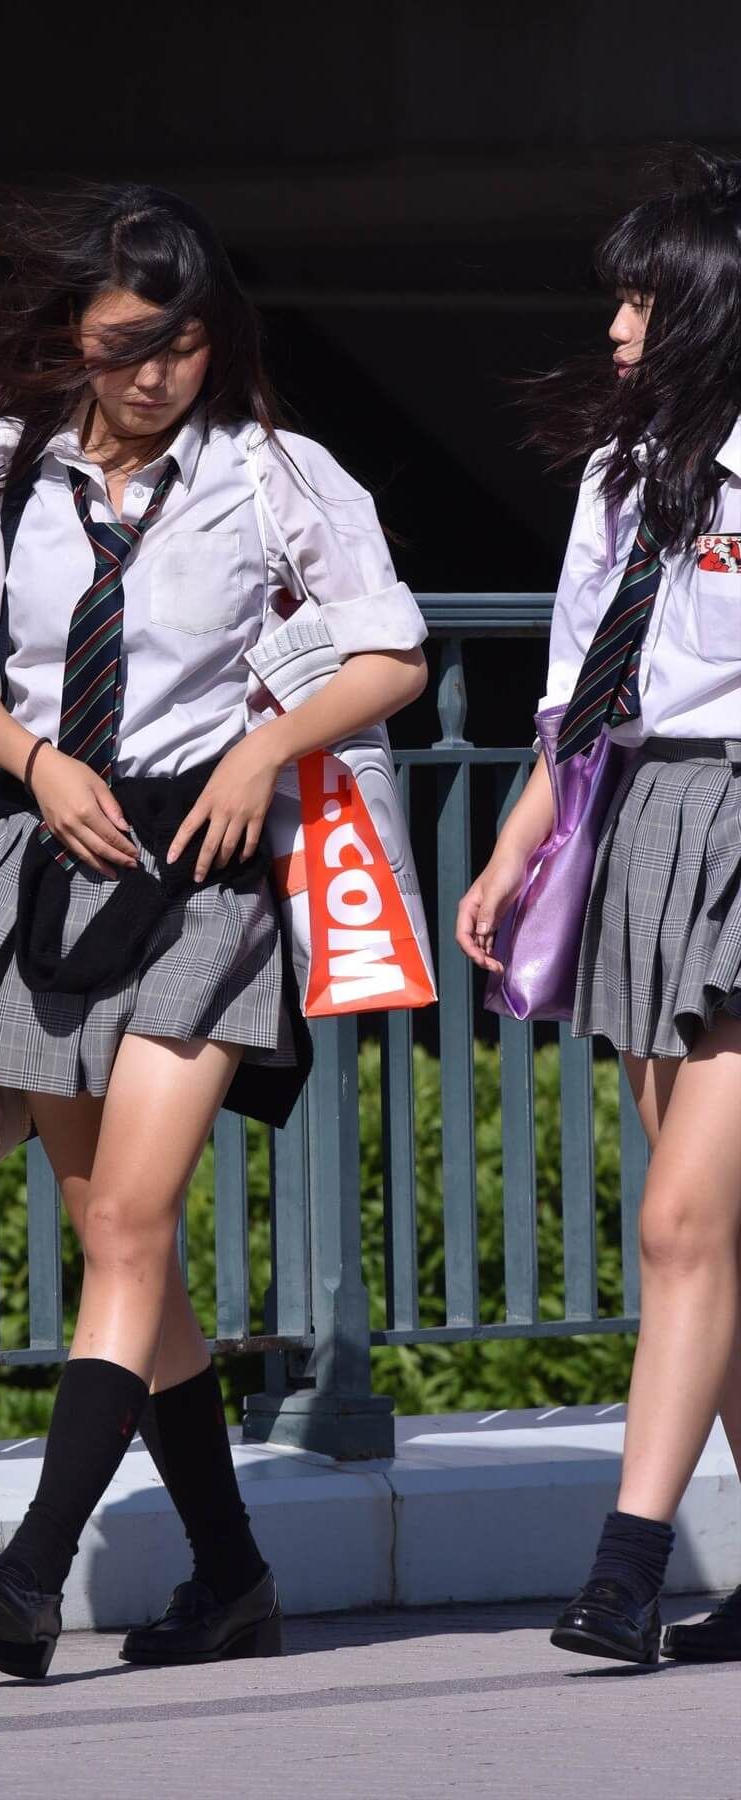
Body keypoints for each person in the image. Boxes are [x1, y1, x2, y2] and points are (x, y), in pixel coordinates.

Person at [0, 184, 427, 1678]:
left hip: (208, 874)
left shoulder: (274, 473)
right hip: (58, 858)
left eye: (184, 343)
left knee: (135, 1224)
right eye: (126, 343)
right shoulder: (11, 466)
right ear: (73, 336)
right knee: (114, 1241)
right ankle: (233, 1577)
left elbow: (393, 651)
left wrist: (262, 753)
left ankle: (32, 1569)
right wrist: (34, 764)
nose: (157, 374)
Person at [457, 149, 741, 1667]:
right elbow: (581, 692)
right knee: (717, 1241)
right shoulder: (622, 472)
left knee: (683, 1219)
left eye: (643, 299)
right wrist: (519, 843)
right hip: (642, 827)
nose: (618, 327)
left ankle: (625, 1572)